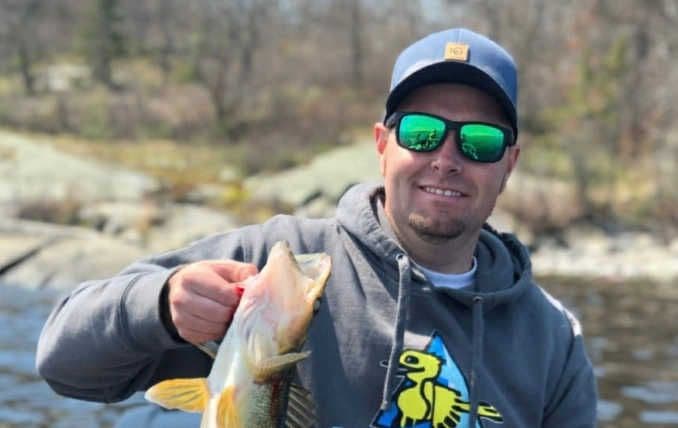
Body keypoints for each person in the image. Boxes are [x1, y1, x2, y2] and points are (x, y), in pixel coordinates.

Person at [36, 28, 597, 427]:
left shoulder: (552, 341)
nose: (446, 158)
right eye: (422, 132)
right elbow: (63, 363)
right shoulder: (277, 264)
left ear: (510, 164)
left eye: (479, 141)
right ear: (382, 146)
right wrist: (159, 306)